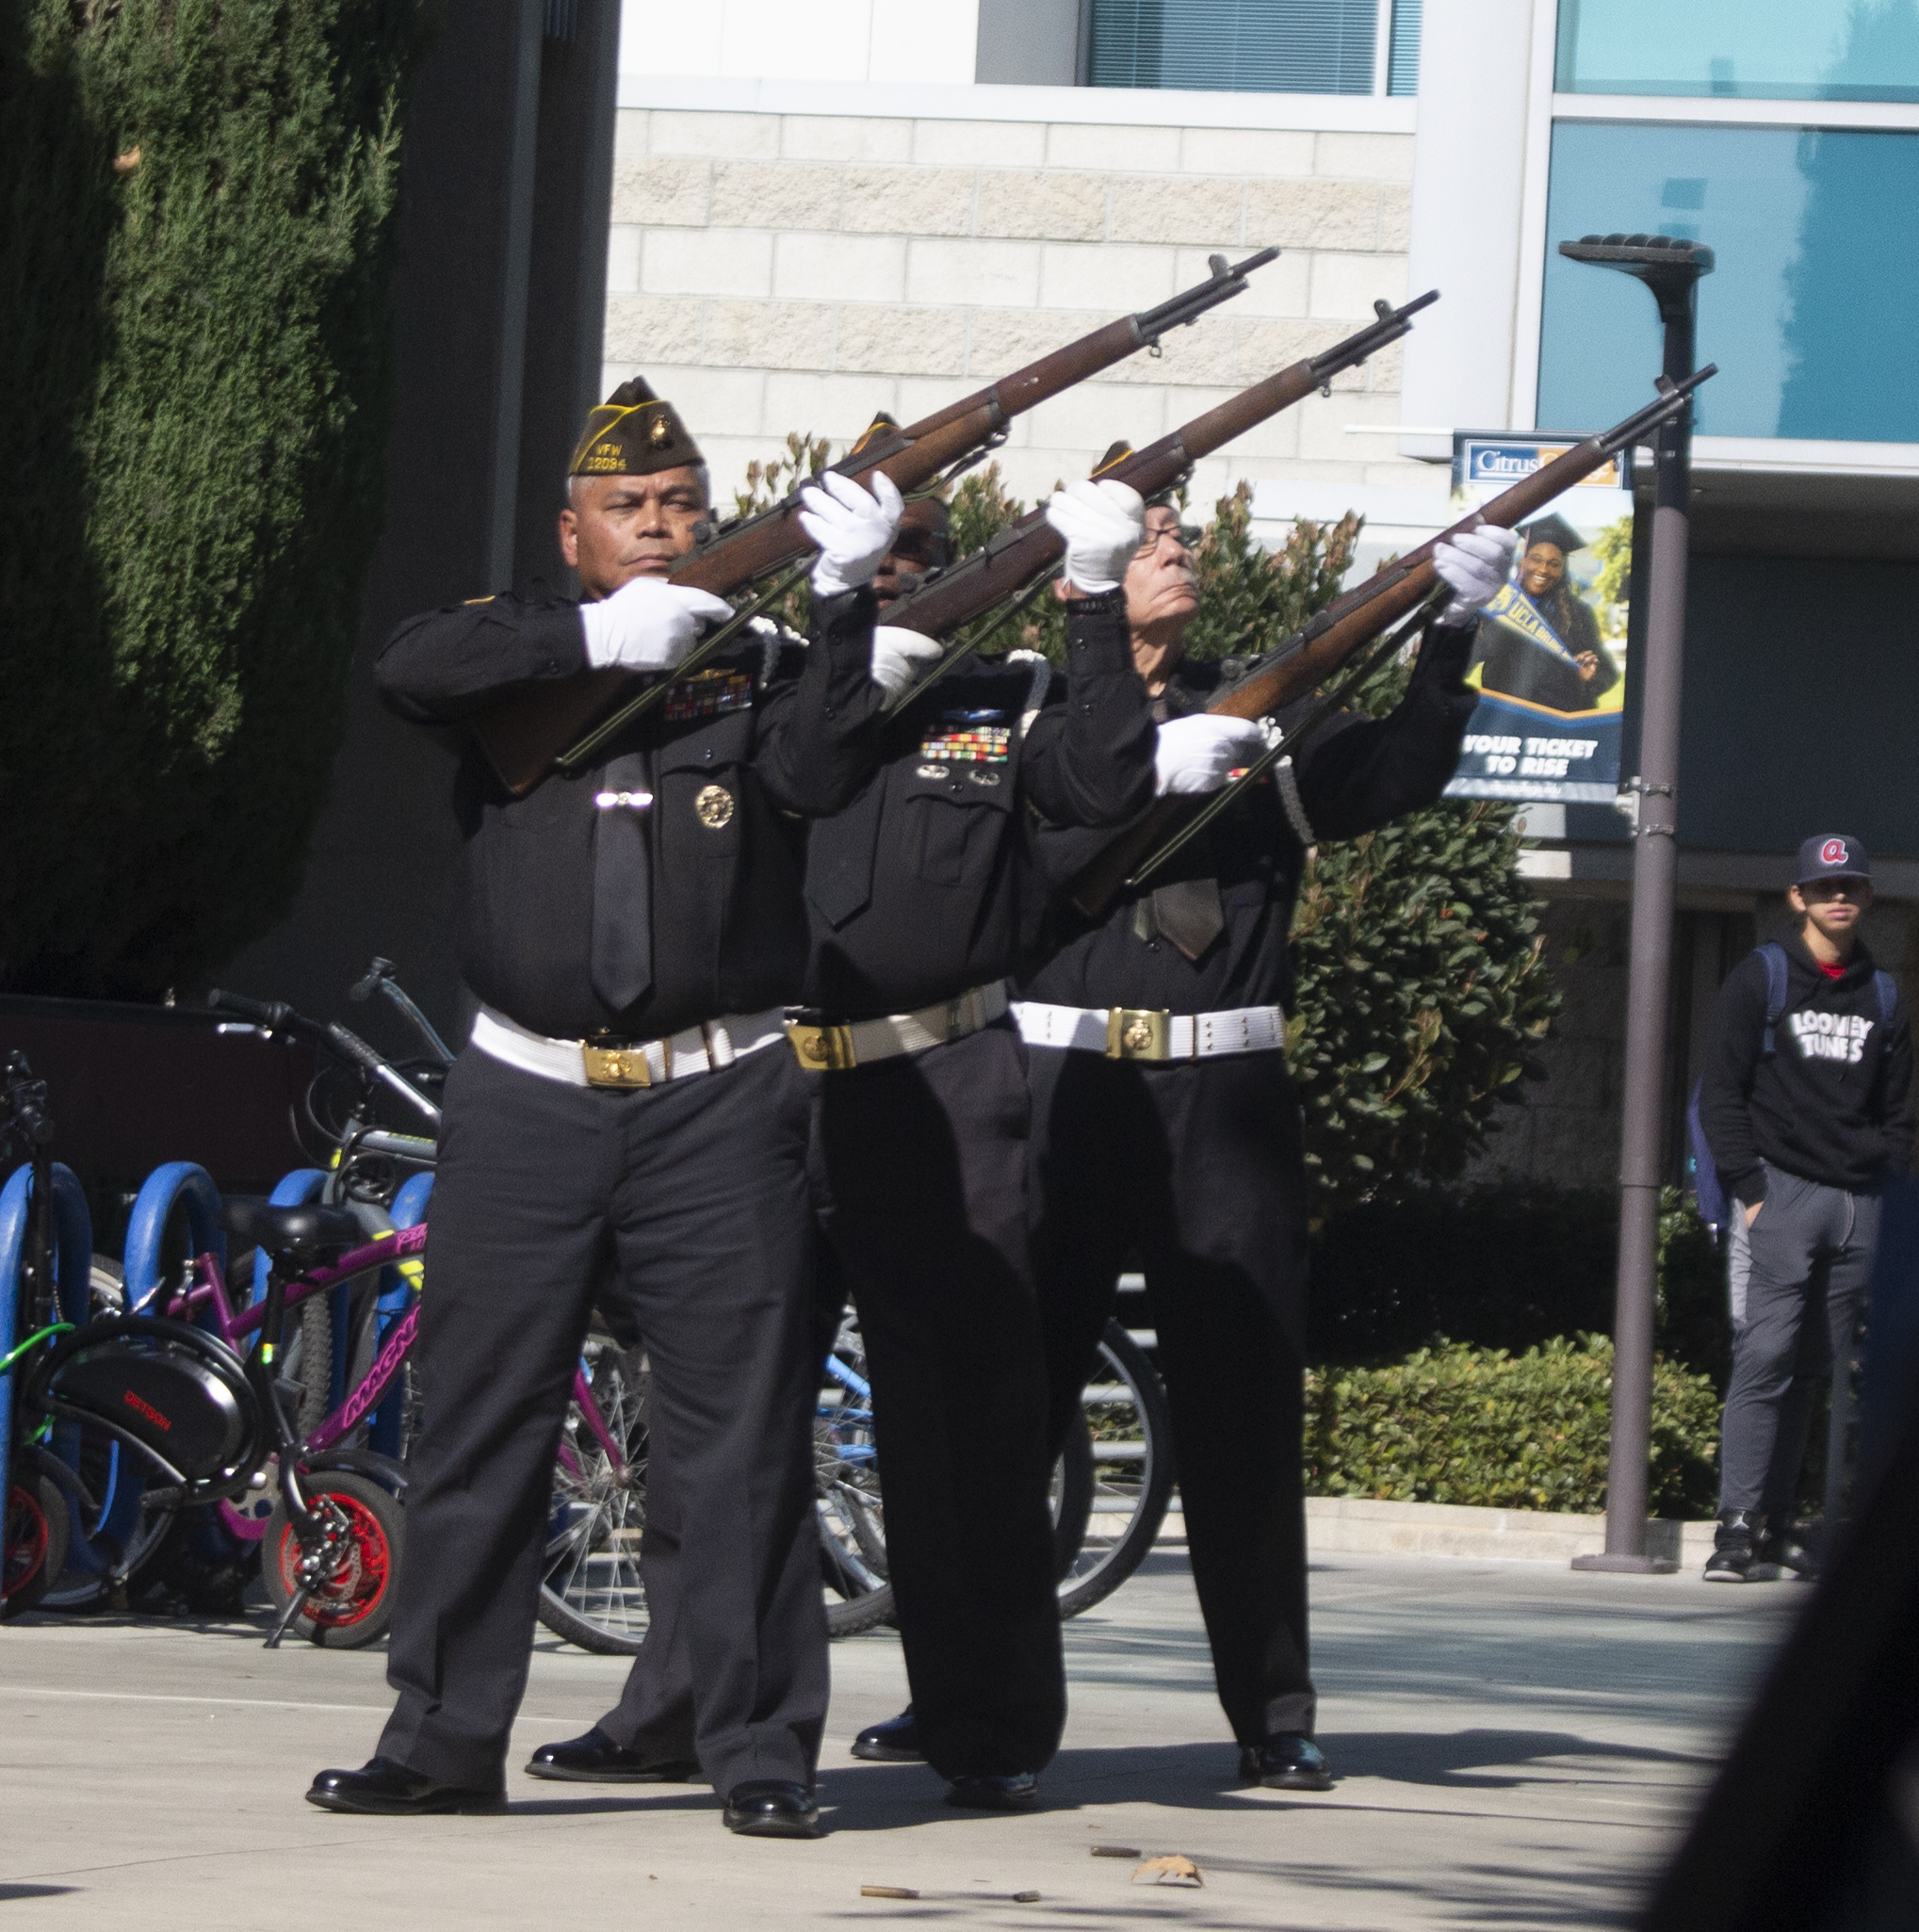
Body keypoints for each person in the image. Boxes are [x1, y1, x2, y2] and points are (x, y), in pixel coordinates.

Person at [526, 466, 1172, 1816]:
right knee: (720, 1418)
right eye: (872, 552)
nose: (896, 572)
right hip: (758, 1085)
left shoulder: (1000, 692)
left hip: (935, 1078)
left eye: (921, 549)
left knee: (964, 1422)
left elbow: (1108, 787)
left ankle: (983, 1718)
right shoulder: (752, 681)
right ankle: (679, 1702)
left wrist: (1098, 604)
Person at [849, 508, 1517, 1793]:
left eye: (1185, 540)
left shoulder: (1255, 715)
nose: (1181, 551)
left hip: (1221, 1081)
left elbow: (1387, 778)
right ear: (1086, 584)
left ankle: (1273, 1706)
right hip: (1053, 1071)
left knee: (1244, 1406)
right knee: (1004, 1408)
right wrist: (1152, 767)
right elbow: (1012, 854)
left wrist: (1450, 635)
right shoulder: (1027, 708)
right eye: (1153, 538)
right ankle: (963, 1699)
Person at [307, 380, 896, 1839]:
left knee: (742, 1435)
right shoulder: (515, 652)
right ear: (571, 536)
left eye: (681, 505)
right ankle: (442, 1733)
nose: (656, 527)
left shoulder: (753, 663)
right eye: (627, 509)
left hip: (717, 1095)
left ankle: (758, 1746)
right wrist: (587, 639)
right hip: (525, 1092)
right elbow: (402, 666)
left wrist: (838, 600)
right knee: (479, 1422)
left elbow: (825, 770)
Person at [1693, 835, 1916, 1583]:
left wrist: (1884, 1188)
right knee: (1764, 1358)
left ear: (1867, 896)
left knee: (1817, 1370)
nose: (1838, 897)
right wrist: (1752, 1192)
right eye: (1824, 888)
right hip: (1781, 1192)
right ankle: (1735, 1526)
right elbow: (1720, 1094)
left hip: (1857, 1203)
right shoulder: (1762, 976)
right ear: (1799, 898)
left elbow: (1898, 1112)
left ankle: (1781, 1525)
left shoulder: (1883, 992)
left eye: (1850, 885)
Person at [1465, 515, 1618, 714]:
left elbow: (1606, 671)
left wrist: (1588, 678)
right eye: (1536, 560)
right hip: (1503, 723)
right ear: (1523, 562)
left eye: (1554, 564)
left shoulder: (1578, 614)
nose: (1544, 569)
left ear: (1562, 570)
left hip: (1556, 724)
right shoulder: (1497, 605)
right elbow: (1467, 659)